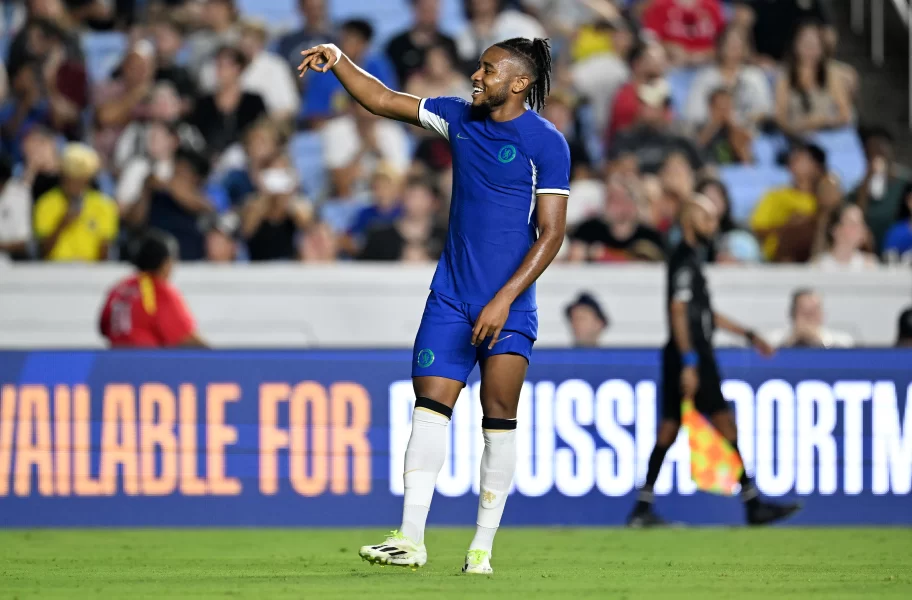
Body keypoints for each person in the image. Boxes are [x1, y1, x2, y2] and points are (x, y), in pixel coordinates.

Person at [299, 34, 569, 574]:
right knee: (429, 409)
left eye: (488, 69)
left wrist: (504, 300)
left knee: (499, 417)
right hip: (450, 297)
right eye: (478, 66)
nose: (476, 76)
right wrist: (340, 59)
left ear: (520, 83)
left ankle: (481, 549)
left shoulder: (546, 143)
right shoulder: (458, 117)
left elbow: (552, 233)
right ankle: (410, 539)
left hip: (509, 305)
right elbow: (381, 99)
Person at [627, 195, 799, 528]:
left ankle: (642, 508)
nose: (713, 226)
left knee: (669, 429)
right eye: (707, 219)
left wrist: (749, 334)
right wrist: (690, 361)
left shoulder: (690, 259)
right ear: (690, 221)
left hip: (682, 354)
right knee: (723, 424)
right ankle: (752, 504)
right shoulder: (684, 260)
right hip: (692, 355)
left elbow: (702, 312)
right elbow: (678, 311)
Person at [99, 229, 207, 348]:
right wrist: (215, 355)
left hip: (113, 356)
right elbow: (187, 338)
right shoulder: (159, 290)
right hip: (146, 357)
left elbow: (103, 327)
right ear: (165, 263)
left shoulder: (119, 288)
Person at [33, 143, 118, 262]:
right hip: (54, 269)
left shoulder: (104, 205)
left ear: (87, 180)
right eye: (70, 179)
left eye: (79, 179)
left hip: (91, 268)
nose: (74, 185)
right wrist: (61, 225)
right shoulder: (46, 203)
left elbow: (105, 251)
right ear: (62, 177)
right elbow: (42, 251)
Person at [774, 21, 851, 136]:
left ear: (822, 48)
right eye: (806, 44)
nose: (810, 49)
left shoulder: (831, 74)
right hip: (795, 136)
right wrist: (798, 127)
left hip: (828, 133)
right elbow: (780, 117)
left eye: (814, 45)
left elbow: (845, 114)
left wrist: (823, 121)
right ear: (796, 45)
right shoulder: (785, 75)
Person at [766, 288, 854, 348]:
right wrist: (791, 341)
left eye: (814, 311)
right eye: (804, 312)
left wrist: (820, 341)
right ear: (792, 313)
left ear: (822, 314)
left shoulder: (842, 341)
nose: (809, 318)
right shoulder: (774, 339)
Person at [812, 204, 878, 270]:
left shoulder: (869, 265)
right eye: (852, 223)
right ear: (835, 229)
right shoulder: (818, 266)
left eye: (861, 223)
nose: (860, 229)